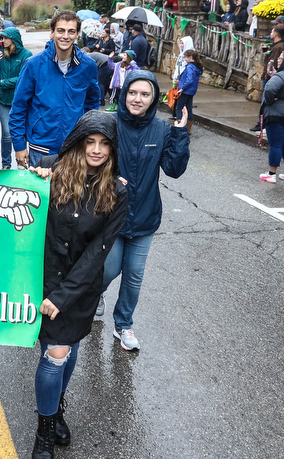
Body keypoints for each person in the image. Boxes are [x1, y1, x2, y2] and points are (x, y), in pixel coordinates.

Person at [27, 110, 128, 459]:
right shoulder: (51, 168)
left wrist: (64, 296)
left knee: (67, 349)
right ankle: (45, 430)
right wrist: (35, 180)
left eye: (104, 145)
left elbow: (98, 252)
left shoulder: (116, 191)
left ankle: (55, 410)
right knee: (54, 353)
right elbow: (24, 209)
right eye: (90, 142)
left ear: (113, 150)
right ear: (79, 142)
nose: (96, 150)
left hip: (80, 288)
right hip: (42, 277)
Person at [99, 71, 190, 350]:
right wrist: (111, 179)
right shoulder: (109, 123)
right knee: (109, 269)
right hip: (111, 214)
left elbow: (174, 170)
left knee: (134, 274)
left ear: (153, 99)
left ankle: (124, 325)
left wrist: (179, 133)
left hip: (145, 216)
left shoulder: (162, 129)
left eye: (145, 94)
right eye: (133, 92)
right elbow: (90, 163)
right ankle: (95, 295)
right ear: (124, 93)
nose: (137, 99)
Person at [11, 11, 100, 168]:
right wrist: (19, 145)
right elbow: (19, 107)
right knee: (43, 192)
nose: (65, 36)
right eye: (61, 30)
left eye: (71, 31)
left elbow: (92, 103)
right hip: (41, 146)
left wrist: (85, 133)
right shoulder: (33, 65)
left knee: (71, 192)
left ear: (78, 34)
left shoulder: (88, 66)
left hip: (74, 146)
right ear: (52, 33)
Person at [0, 27, 32, 169]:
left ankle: (22, 162)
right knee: (7, 133)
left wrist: (0, 84)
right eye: (2, 38)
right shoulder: (1, 53)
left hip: (20, 101)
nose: (3, 41)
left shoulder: (26, 55)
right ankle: (5, 164)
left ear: (13, 39)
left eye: (5, 38)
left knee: (21, 131)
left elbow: (22, 78)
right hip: (3, 100)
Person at [260, 50, 284, 183]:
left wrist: (270, 101)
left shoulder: (280, 76)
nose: (278, 61)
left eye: (281, 59)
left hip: (276, 114)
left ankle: (271, 173)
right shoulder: (282, 75)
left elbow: (269, 90)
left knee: (275, 145)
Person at [251, 25, 284, 131]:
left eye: (272, 32)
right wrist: (267, 52)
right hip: (268, 77)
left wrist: (268, 75)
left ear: (276, 34)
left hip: (269, 78)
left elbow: (272, 64)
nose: (270, 34)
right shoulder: (275, 45)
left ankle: (261, 124)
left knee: (265, 102)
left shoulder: (278, 47)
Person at [176, 49, 202, 134]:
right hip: (192, 91)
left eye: (185, 57)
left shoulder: (190, 67)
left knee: (179, 107)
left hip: (186, 91)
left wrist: (182, 88)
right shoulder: (196, 67)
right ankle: (188, 129)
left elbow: (189, 80)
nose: (184, 59)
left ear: (190, 57)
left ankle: (179, 127)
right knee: (189, 108)